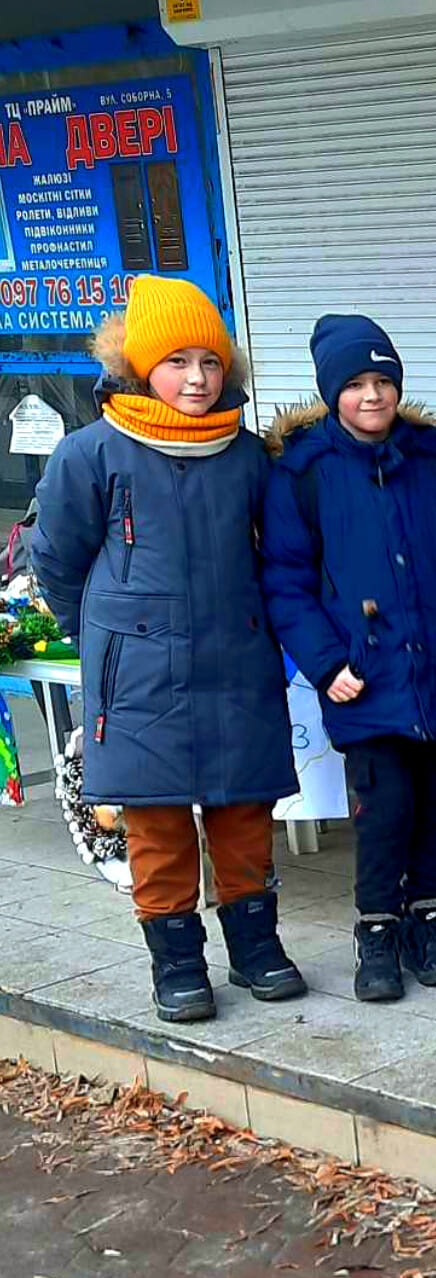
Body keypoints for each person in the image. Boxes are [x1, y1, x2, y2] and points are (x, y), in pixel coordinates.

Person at [32, 276, 306, 1022]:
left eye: (210, 363)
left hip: (235, 660)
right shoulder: (92, 453)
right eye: (178, 361)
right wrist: (105, 631)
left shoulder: (247, 455)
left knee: (244, 813)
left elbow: (271, 552)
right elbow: (55, 560)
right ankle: (178, 964)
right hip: (138, 674)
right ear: (140, 367)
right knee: (155, 822)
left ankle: (256, 950)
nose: (196, 378)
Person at [260, 315, 436, 1003]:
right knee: (384, 810)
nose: (371, 395)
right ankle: (378, 932)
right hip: (364, 676)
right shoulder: (305, 472)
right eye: (354, 384)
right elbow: (286, 582)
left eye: (382, 380)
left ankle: (427, 923)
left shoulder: (434, 463)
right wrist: (327, 664)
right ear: (332, 393)